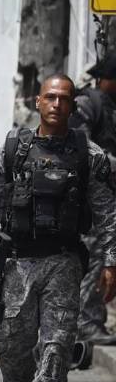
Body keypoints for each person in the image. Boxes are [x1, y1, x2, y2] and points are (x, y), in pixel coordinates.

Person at [0, 74, 116, 382]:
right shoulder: (12, 148)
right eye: (50, 97)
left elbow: (107, 213)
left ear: (72, 105)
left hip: (64, 262)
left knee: (58, 343)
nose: (56, 104)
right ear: (38, 102)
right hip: (18, 262)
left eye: (64, 99)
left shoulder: (89, 155)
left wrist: (110, 262)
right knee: (11, 345)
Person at [71, 53, 116, 344]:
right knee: (96, 256)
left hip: (108, 195)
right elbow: (80, 144)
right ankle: (87, 324)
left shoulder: (109, 105)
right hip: (90, 198)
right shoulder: (89, 102)